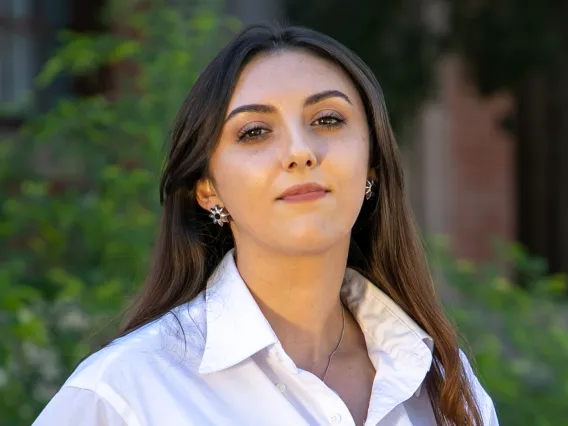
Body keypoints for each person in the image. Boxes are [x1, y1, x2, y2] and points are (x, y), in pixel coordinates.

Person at [33, 24, 498, 426]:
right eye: (254, 131)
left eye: (328, 119)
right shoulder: (123, 394)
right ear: (207, 187)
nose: (300, 151)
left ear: (372, 164)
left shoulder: (446, 388)